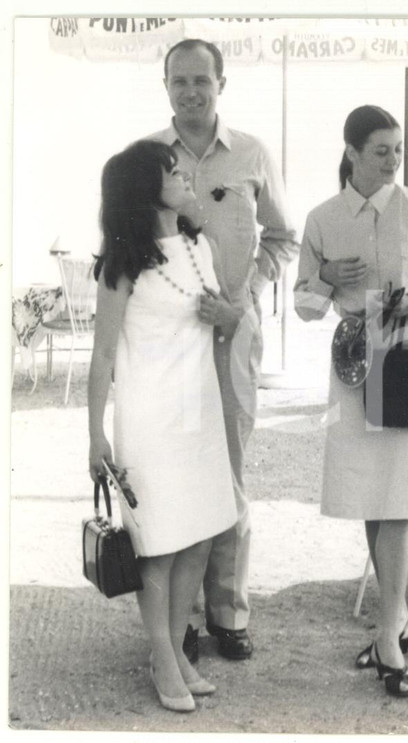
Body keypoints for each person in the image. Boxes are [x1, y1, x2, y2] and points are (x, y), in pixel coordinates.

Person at [294, 105, 408, 698]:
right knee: (373, 493)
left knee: (399, 497)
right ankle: (399, 617)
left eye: (398, 149)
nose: (393, 159)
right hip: (352, 361)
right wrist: (326, 280)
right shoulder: (321, 219)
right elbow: (304, 308)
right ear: (350, 151)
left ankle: (389, 630)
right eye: (380, 151)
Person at [147, 38, 298, 662]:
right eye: (178, 81)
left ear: (222, 83)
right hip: (168, 347)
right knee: (175, 473)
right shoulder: (149, 158)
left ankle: (228, 613)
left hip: (233, 336)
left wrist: (248, 299)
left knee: (229, 471)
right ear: (166, 86)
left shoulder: (254, 154)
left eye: (200, 81)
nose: (190, 92)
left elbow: (283, 240)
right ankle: (177, 619)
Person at [88, 140, 239, 712]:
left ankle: (173, 652)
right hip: (149, 417)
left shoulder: (200, 244)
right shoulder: (122, 262)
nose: (184, 176)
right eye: (171, 171)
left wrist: (228, 316)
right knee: (159, 547)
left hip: (198, 411)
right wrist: (95, 435)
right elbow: (102, 357)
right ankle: (161, 657)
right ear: (143, 187)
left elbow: (227, 315)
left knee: (199, 537)